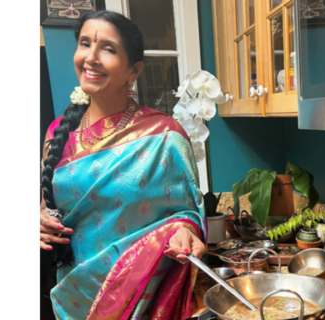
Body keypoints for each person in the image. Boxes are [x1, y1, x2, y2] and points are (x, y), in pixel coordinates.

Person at [38, 11, 206, 320]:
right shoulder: (57, 133)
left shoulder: (164, 136)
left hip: (141, 296)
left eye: (108, 49)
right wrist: (40, 221)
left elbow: (187, 212)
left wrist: (184, 230)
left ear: (134, 70)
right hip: (74, 294)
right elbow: (48, 205)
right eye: (85, 43)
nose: (91, 57)